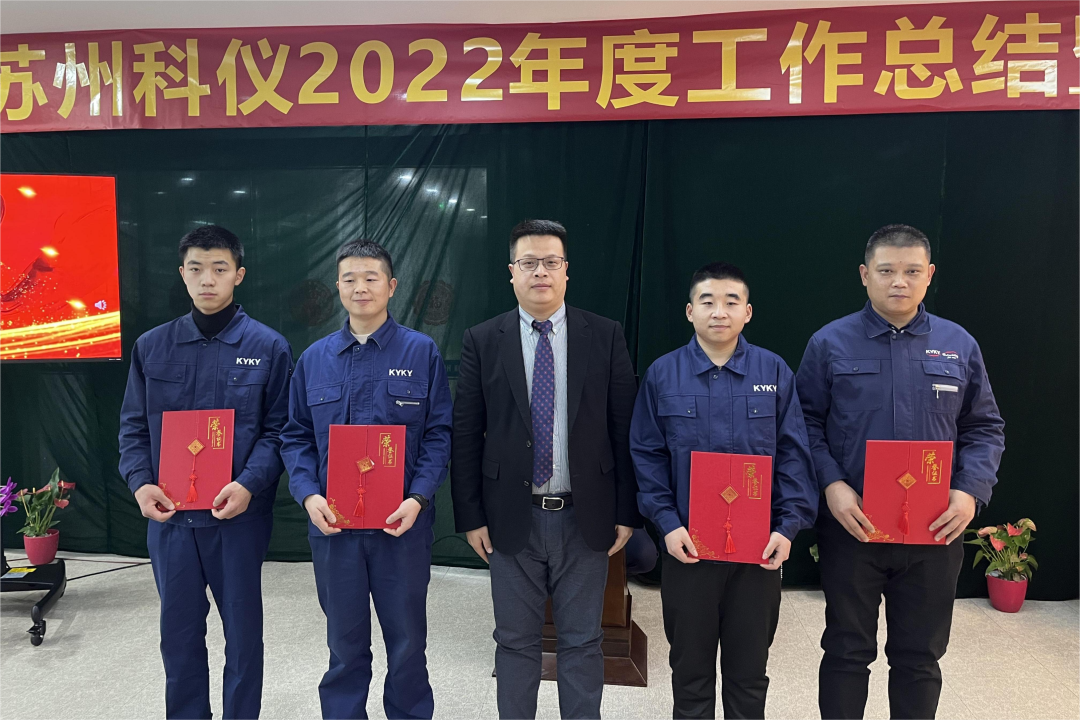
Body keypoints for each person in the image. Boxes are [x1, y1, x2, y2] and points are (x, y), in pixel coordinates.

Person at [796, 224, 1005, 720]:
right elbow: (804, 423)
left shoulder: (958, 344)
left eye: (912, 271)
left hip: (934, 530)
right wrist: (832, 485)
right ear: (864, 274)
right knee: (846, 650)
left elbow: (984, 427)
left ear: (929, 275)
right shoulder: (829, 343)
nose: (899, 282)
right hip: (854, 526)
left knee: (919, 657)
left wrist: (969, 491)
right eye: (886, 270)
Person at [451, 219, 640, 720]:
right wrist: (471, 516)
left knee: (582, 640)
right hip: (510, 515)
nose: (541, 272)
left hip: (586, 514)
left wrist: (627, 511)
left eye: (551, 262)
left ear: (566, 270)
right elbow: (465, 434)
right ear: (511, 272)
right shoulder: (482, 339)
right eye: (529, 262)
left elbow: (625, 430)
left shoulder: (604, 335)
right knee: (515, 642)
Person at [118, 225, 294, 720]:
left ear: (239, 274)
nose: (207, 279)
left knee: (243, 636)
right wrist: (140, 483)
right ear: (182, 274)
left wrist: (248, 484)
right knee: (177, 637)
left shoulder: (269, 346)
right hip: (170, 520)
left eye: (219, 269)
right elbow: (133, 428)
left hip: (236, 518)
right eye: (196, 269)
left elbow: (280, 431)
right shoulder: (152, 346)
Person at [630, 261, 817, 720]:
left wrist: (787, 527)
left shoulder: (774, 371)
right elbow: (647, 456)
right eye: (708, 301)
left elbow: (795, 456)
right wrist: (667, 525)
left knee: (749, 675)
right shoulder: (662, 374)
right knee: (690, 674)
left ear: (747, 312)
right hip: (688, 550)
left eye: (731, 302)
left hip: (757, 554)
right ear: (689, 311)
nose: (719, 312)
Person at [281, 239, 452, 720]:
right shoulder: (314, 359)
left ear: (391, 286)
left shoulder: (421, 351)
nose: (361, 287)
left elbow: (439, 435)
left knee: (408, 644)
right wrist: (308, 495)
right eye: (350, 279)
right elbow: (295, 436)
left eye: (371, 278)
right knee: (344, 645)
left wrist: (418, 498)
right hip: (334, 529)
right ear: (337, 287)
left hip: (402, 528)